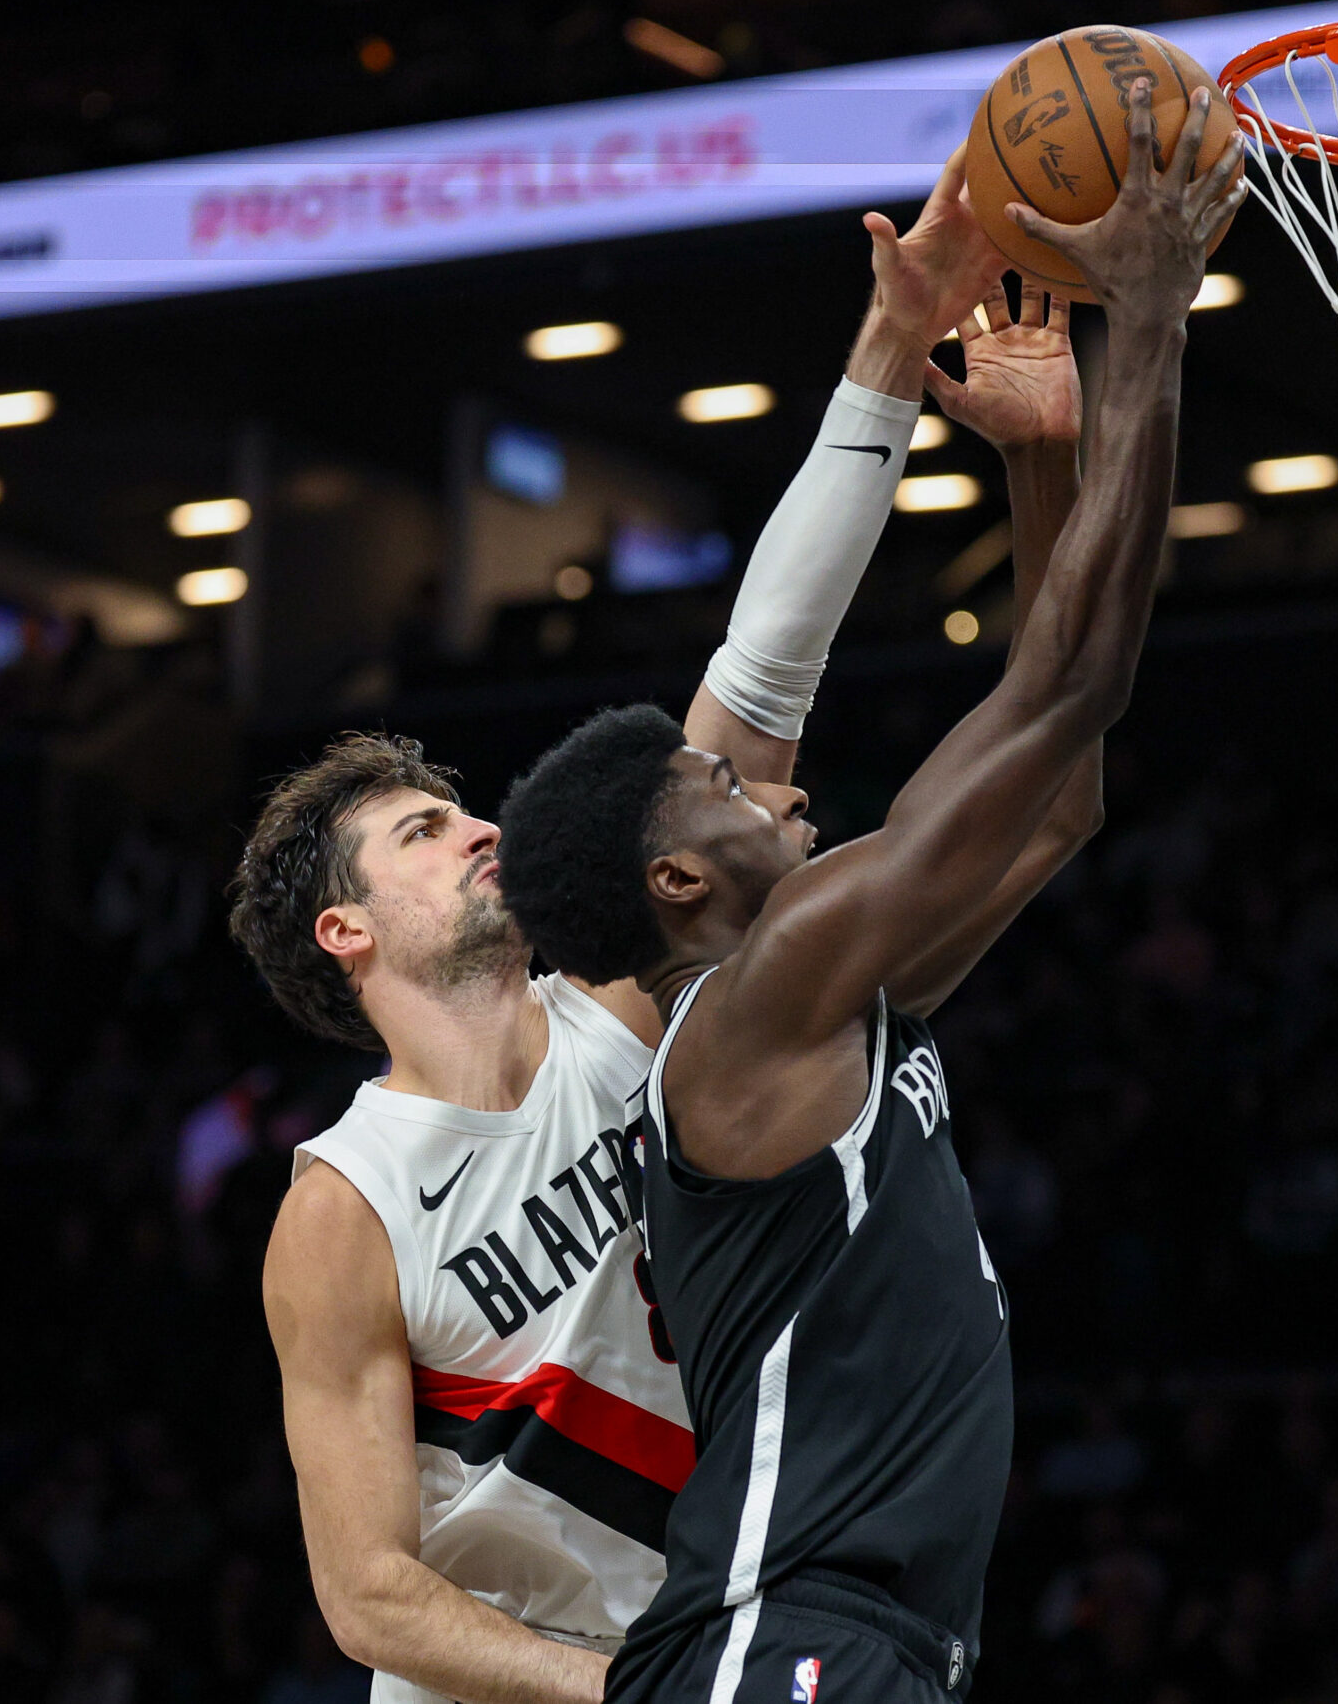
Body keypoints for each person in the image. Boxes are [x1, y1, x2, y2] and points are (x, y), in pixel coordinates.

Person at [230, 150, 1029, 1704]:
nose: (477, 830)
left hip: (729, 1637)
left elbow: (763, 676)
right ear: (346, 934)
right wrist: (620, 1689)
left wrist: (886, 358)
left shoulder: (632, 1015)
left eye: (463, 809)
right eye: (419, 832)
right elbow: (374, 1596)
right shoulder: (346, 1205)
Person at [494, 83, 1241, 1704]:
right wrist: (1156, 325)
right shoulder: (764, 994)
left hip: (831, 1643)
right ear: (679, 879)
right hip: (792, 1641)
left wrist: (1045, 462)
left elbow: (1059, 805)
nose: (779, 783)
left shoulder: (814, 1003)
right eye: (726, 787)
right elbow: (1070, 692)